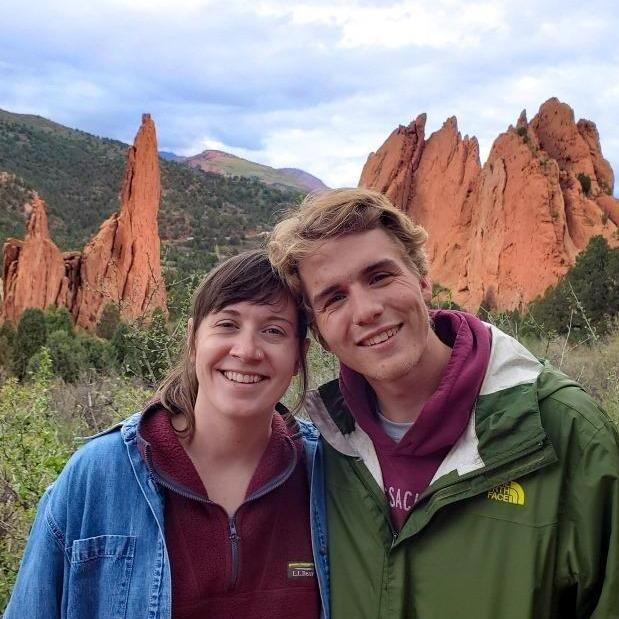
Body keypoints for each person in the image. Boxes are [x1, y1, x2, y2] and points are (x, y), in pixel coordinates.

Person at [268, 188, 619, 619]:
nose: (366, 310)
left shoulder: (566, 432)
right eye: (334, 298)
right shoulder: (322, 447)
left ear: (422, 279)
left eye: (379, 276)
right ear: (319, 331)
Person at [4, 249, 325, 619]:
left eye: (273, 330)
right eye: (227, 325)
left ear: (299, 354)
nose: (247, 350)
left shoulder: (325, 477)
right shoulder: (97, 476)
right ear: (192, 340)